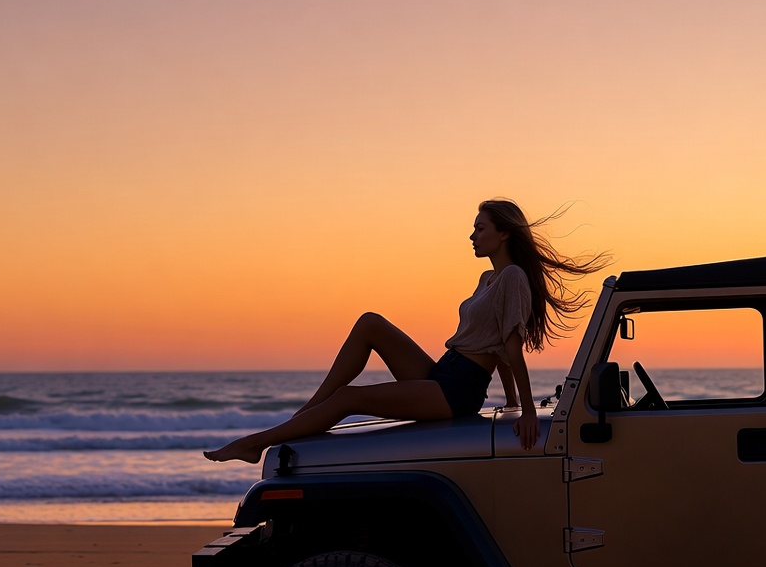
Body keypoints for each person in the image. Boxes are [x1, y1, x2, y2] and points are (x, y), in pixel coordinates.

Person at [204, 199, 609, 464]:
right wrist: (510, 401)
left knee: (349, 398)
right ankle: (303, 416)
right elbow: (495, 343)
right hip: (445, 372)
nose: (472, 235)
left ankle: (257, 442)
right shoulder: (488, 279)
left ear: (503, 233)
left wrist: (525, 410)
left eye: (480, 228)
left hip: (458, 389)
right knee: (370, 323)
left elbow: (510, 346)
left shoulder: (514, 277)